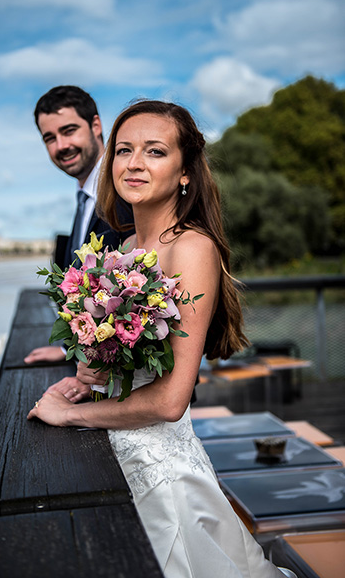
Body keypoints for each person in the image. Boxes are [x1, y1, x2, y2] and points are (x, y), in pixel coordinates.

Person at [27, 100, 295, 578]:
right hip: (116, 455)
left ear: (185, 170)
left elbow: (171, 400)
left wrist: (70, 415)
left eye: (154, 151)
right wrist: (90, 371)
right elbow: (129, 361)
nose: (133, 164)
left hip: (161, 470)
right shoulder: (125, 249)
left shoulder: (192, 248)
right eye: (124, 150)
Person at [24, 85, 133, 403]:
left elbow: (143, 291)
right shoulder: (85, 196)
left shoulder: (125, 189)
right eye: (50, 138)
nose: (61, 145)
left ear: (96, 126)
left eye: (69, 131)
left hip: (128, 387)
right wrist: (66, 346)